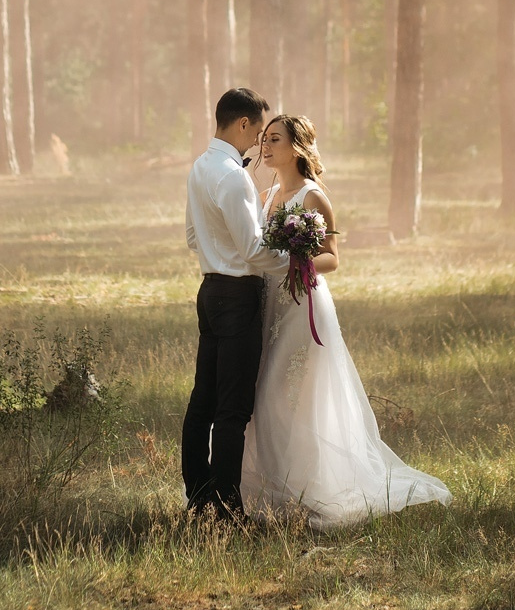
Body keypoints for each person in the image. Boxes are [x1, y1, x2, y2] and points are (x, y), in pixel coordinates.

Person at [241, 114, 452, 528]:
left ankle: (313, 486)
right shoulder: (265, 195)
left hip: (304, 307)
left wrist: (294, 263)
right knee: (264, 394)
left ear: (297, 147)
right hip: (270, 308)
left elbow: (333, 258)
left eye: (275, 139)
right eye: (263, 139)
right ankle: (272, 487)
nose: (265, 146)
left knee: (294, 396)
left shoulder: (313, 197)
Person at [182, 88, 289, 522]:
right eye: (258, 131)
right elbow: (253, 250)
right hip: (237, 296)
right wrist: (292, 260)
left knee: (203, 401)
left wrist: (217, 249)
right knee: (233, 408)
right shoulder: (232, 175)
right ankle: (227, 509)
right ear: (243, 124)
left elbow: (193, 237)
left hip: (209, 291)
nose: (259, 142)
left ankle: (199, 497)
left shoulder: (199, 167)